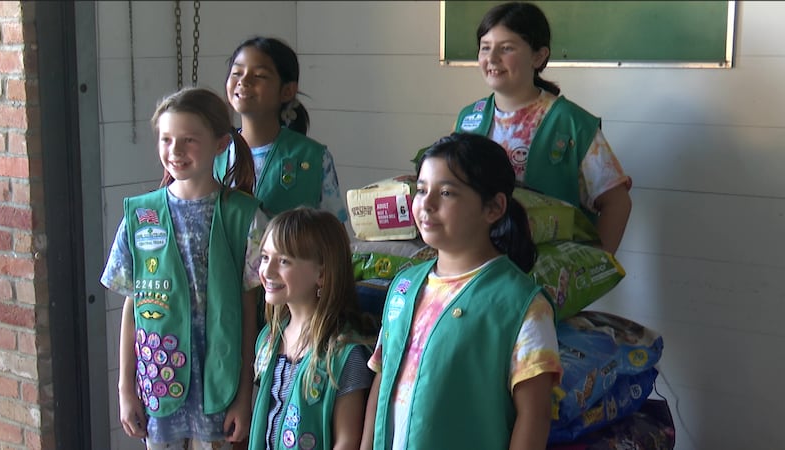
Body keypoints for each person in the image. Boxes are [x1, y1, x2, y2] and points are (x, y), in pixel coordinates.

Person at [361, 133, 563, 450]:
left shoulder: (521, 304)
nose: (426, 204)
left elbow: (534, 416)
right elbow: (383, 379)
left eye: (446, 193)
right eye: (421, 190)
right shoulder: (404, 286)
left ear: (494, 207)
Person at [100, 87, 268, 449]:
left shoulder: (245, 216)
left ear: (221, 144)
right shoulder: (140, 216)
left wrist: (244, 395)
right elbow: (133, 306)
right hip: (157, 380)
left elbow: (249, 311)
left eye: (189, 140)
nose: (175, 151)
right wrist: (125, 389)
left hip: (220, 384)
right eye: (166, 139)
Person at [453, 1, 631, 254]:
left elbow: (617, 202)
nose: (491, 59)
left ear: (538, 56)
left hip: (547, 269)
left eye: (506, 48)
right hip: (479, 264)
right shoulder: (468, 118)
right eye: (485, 48)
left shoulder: (571, 122)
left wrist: (595, 263)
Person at [250, 207, 377, 450]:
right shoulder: (269, 339)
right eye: (265, 257)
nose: (267, 271)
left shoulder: (344, 354)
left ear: (322, 274)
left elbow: (347, 441)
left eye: (284, 261)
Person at [216, 36, 347, 223]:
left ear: (287, 91)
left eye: (259, 76)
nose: (243, 81)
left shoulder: (313, 157)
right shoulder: (214, 151)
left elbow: (334, 229)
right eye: (237, 72)